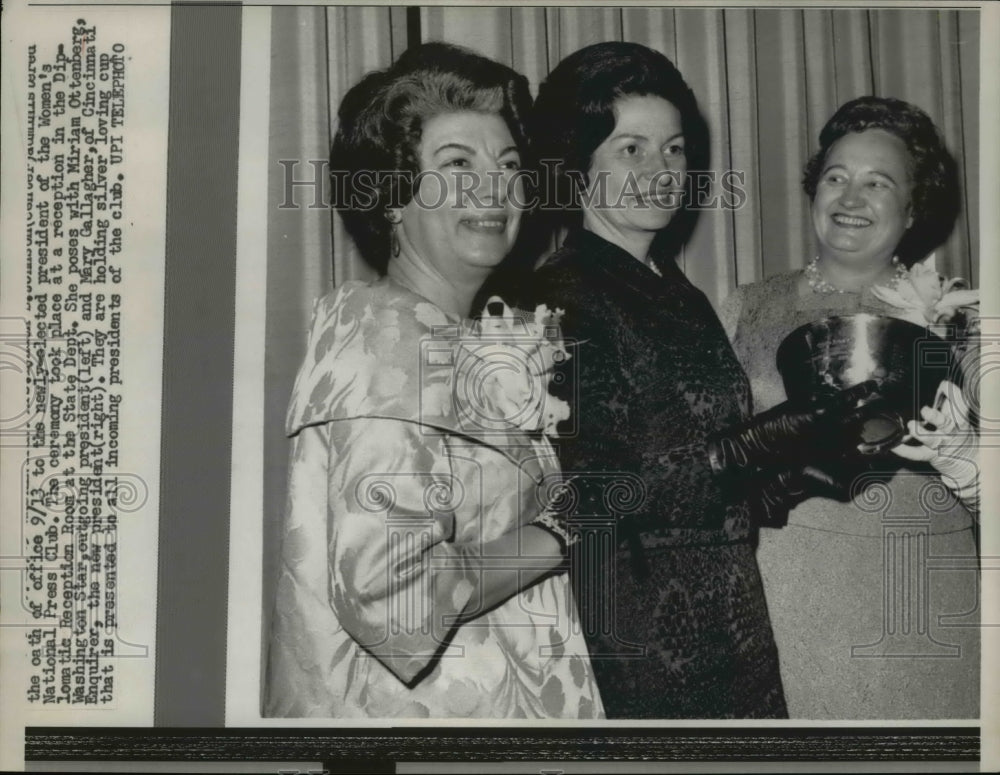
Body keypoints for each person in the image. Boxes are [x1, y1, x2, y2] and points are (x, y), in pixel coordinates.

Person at [511, 41, 876, 719]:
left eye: (674, 149)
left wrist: (795, 469)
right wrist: (749, 447)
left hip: (733, 622)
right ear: (578, 162)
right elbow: (598, 497)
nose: (660, 170)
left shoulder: (683, 296)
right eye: (631, 149)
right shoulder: (561, 297)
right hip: (637, 632)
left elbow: (711, 482)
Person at [263, 42, 603, 719]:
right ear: (393, 196)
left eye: (509, 165)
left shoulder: (443, 336)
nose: (493, 187)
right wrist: (563, 532)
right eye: (457, 164)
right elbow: (399, 601)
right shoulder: (387, 342)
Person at [721, 96, 979, 718]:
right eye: (835, 177)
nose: (850, 198)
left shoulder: (958, 320)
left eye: (877, 183)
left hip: (917, 580)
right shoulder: (744, 307)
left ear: (915, 207)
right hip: (786, 581)